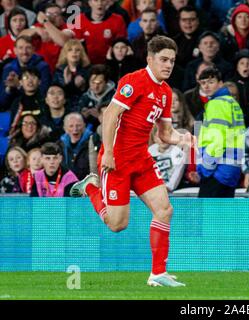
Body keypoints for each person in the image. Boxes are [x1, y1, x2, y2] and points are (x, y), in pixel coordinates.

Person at [69, 35, 195, 287]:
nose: (169, 65)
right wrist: (108, 154)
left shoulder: (166, 93)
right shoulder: (134, 81)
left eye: (172, 60)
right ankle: (91, 188)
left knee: (165, 210)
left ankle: (158, 273)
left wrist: (183, 139)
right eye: (163, 59)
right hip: (117, 161)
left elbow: (164, 134)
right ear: (150, 59)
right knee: (117, 225)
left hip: (142, 159)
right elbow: (110, 116)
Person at [197, 66, 245, 198]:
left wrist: (206, 167)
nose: (206, 86)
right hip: (231, 170)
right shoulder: (232, 103)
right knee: (223, 217)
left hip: (218, 170)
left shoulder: (217, 104)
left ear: (220, 83)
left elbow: (217, 140)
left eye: (211, 82)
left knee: (208, 217)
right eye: (203, 83)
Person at [60, 112, 101, 180]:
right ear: (65, 128)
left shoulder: (94, 141)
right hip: (67, 184)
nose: (75, 129)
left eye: (78, 125)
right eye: (71, 126)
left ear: (84, 126)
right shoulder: (60, 145)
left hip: (88, 183)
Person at [53, 39, 91, 108]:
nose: (74, 52)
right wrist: (70, 85)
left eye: (77, 50)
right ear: (65, 54)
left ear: (82, 54)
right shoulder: (59, 72)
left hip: (84, 106)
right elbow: (59, 93)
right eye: (70, 50)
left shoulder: (88, 71)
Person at [76, 65, 115, 131]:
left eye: (99, 83)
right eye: (93, 82)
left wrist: (100, 116)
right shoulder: (85, 97)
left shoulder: (115, 97)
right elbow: (77, 117)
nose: (96, 86)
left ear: (106, 82)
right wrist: (82, 116)